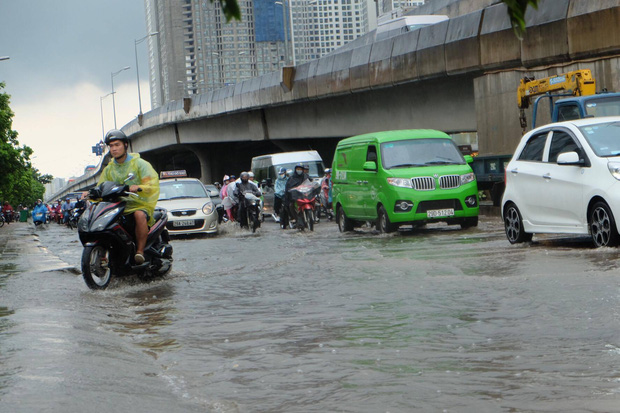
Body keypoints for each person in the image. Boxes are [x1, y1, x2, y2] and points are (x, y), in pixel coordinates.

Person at [97, 129, 159, 265]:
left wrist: (139, 187)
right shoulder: (109, 169)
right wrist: (91, 193)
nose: (114, 149)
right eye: (111, 146)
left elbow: (152, 184)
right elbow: (101, 186)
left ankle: (140, 251)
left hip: (139, 204)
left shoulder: (140, 164)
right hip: (117, 206)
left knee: (139, 215)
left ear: (125, 145)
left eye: (117, 145)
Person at [281, 163, 310, 229]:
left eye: (300, 169)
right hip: (295, 198)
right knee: (291, 206)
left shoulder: (306, 177)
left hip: (305, 196)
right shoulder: (291, 178)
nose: (299, 170)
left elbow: (311, 183)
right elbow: (288, 189)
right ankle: (297, 220)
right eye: (298, 169)